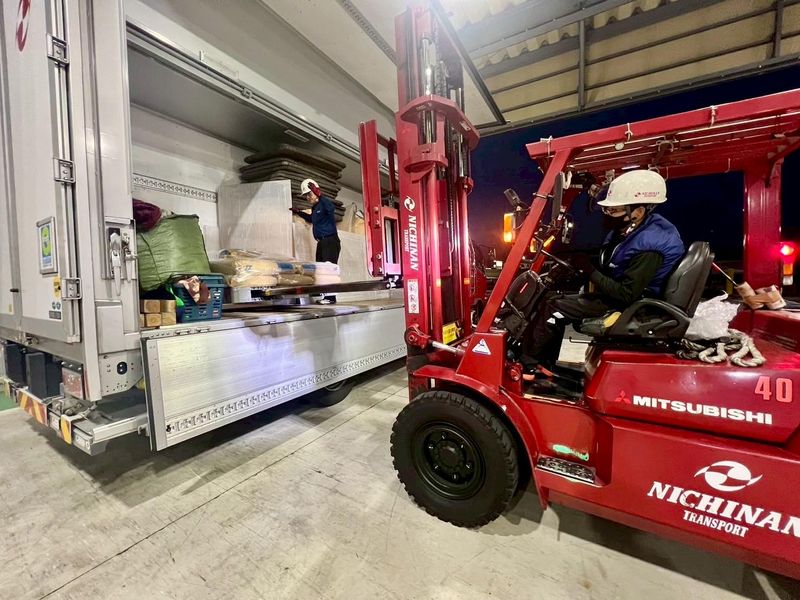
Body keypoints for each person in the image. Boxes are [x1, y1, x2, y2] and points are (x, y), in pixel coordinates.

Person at [525, 169, 684, 369]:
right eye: (606, 210)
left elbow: (626, 293)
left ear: (638, 212)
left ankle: (527, 364)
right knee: (555, 299)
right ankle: (545, 365)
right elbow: (613, 260)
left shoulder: (650, 246)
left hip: (633, 305)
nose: (607, 215)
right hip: (628, 299)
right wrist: (579, 263)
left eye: (613, 211)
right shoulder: (631, 231)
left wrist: (589, 270)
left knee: (554, 306)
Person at [290, 178, 340, 304]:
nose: (307, 197)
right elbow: (311, 219)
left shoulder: (324, 203)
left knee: (328, 270)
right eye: (306, 195)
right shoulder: (316, 207)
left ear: (316, 192)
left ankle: (331, 298)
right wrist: (299, 213)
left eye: (309, 194)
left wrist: (320, 195)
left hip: (330, 240)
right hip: (322, 242)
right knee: (321, 269)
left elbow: (331, 209)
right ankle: (325, 295)